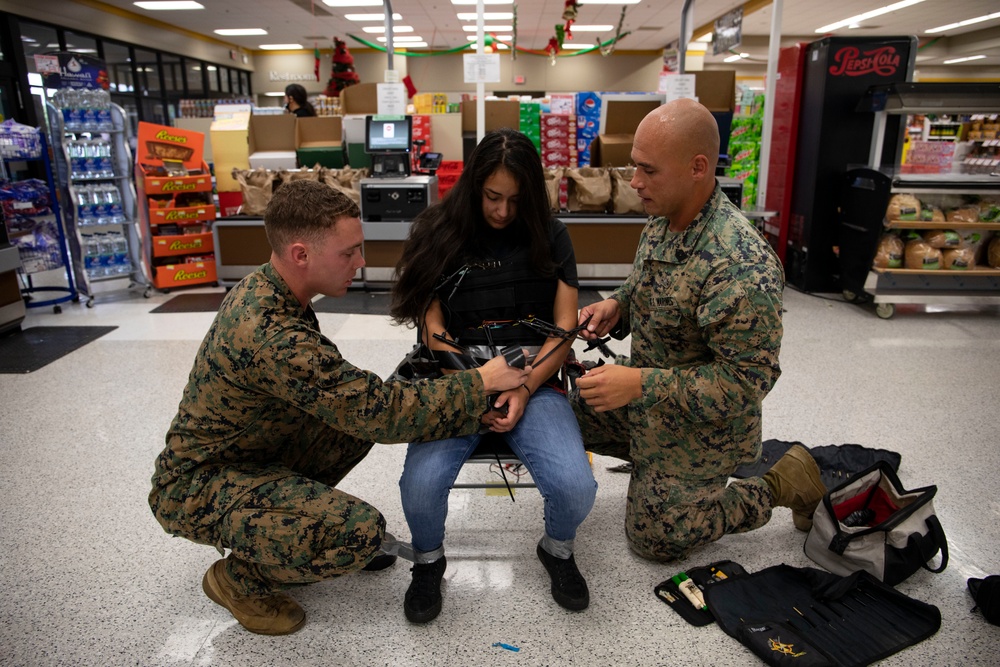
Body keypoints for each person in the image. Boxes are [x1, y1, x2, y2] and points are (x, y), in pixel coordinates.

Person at [148, 180, 530, 636]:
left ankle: (287, 529)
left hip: (251, 453)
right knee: (357, 533)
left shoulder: (274, 289)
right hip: (197, 486)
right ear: (301, 254)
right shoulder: (271, 333)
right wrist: (480, 382)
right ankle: (240, 579)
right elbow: (380, 413)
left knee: (350, 425)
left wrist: (458, 401)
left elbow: (355, 402)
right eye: (349, 253)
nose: (361, 262)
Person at [572, 98, 825, 563]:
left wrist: (640, 384)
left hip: (704, 426)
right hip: (649, 396)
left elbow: (746, 384)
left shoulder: (740, 263)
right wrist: (616, 306)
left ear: (698, 167)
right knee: (557, 409)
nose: (635, 183)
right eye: (634, 168)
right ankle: (657, 471)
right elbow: (644, 286)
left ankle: (782, 481)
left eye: (648, 170)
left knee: (658, 539)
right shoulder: (663, 219)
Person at [390, 128, 598, 622]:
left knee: (576, 486)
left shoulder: (551, 233)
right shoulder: (440, 229)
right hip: (458, 378)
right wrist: (476, 384)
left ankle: (558, 550)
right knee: (418, 485)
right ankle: (428, 563)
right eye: (492, 197)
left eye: (515, 200)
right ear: (473, 186)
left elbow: (565, 326)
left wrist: (523, 387)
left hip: (535, 379)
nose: (503, 212)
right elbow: (433, 326)